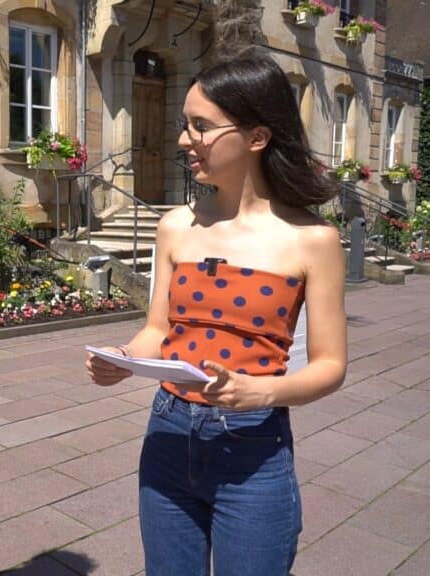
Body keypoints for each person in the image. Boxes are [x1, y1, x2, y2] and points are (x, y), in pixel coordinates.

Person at [86, 50, 347, 575]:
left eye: (201, 126)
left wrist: (261, 392)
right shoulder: (176, 227)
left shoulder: (313, 239)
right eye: (185, 125)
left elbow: (330, 365)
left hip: (253, 445)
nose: (184, 140)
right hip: (167, 433)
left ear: (257, 136)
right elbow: (159, 330)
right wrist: (124, 357)